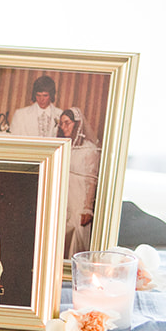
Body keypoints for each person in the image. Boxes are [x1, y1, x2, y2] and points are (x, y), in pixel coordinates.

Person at [60, 108, 100, 257]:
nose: (64, 127)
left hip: (79, 199)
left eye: (67, 123)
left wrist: (87, 208)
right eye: (61, 124)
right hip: (66, 196)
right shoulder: (65, 146)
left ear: (77, 124)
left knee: (77, 235)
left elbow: (91, 179)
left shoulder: (89, 149)